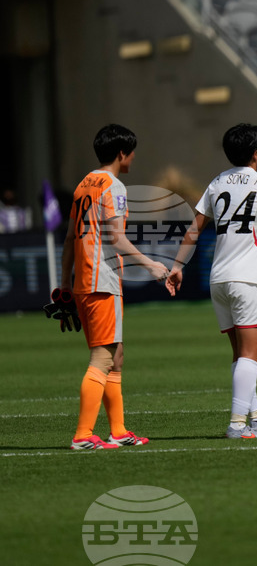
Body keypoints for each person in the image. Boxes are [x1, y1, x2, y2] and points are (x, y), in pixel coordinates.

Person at [167, 124, 257, 438]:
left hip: (218, 278)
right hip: (249, 278)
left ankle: (254, 419)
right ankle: (237, 424)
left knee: (239, 352)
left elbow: (194, 229)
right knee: (250, 353)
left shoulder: (216, 183)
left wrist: (177, 265)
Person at [63, 124, 170, 449]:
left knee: (116, 355)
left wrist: (63, 284)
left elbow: (69, 239)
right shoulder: (115, 187)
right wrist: (151, 263)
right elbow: (117, 238)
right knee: (103, 358)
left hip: (84, 280)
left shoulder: (84, 185)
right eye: (132, 151)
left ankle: (119, 431)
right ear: (122, 153)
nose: (133, 157)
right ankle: (83, 435)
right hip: (103, 280)